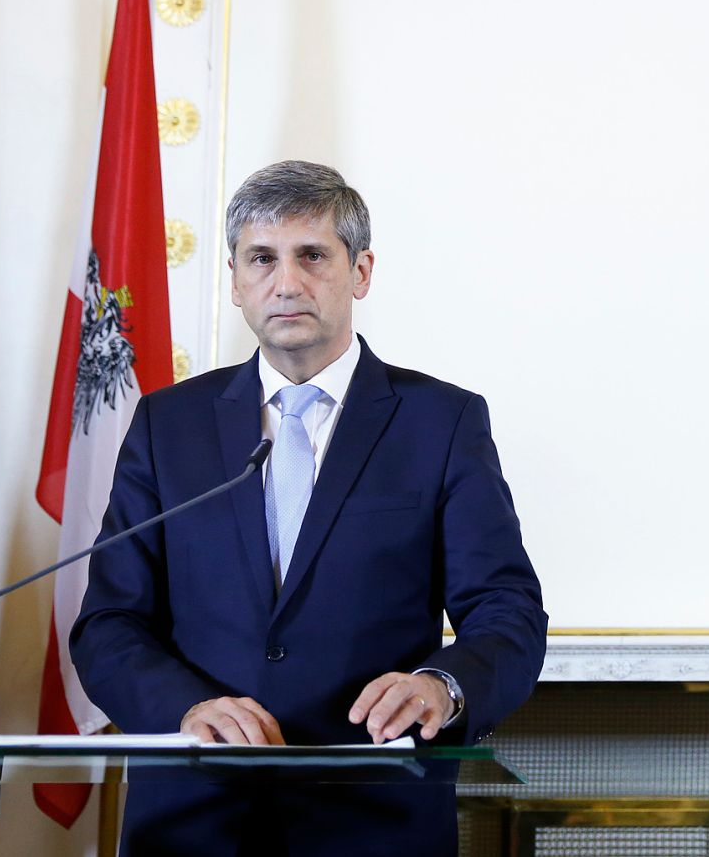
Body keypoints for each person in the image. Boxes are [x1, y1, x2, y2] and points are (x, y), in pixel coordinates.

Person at [73, 160, 547, 856]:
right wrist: (188, 708)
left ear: (360, 273)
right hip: (193, 820)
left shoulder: (440, 422)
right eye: (262, 259)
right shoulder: (167, 425)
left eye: (312, 256)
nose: (286, 282)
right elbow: (110, 622)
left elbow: (508, 610)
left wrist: (444, 687)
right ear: (235, 281)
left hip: (373, 816)